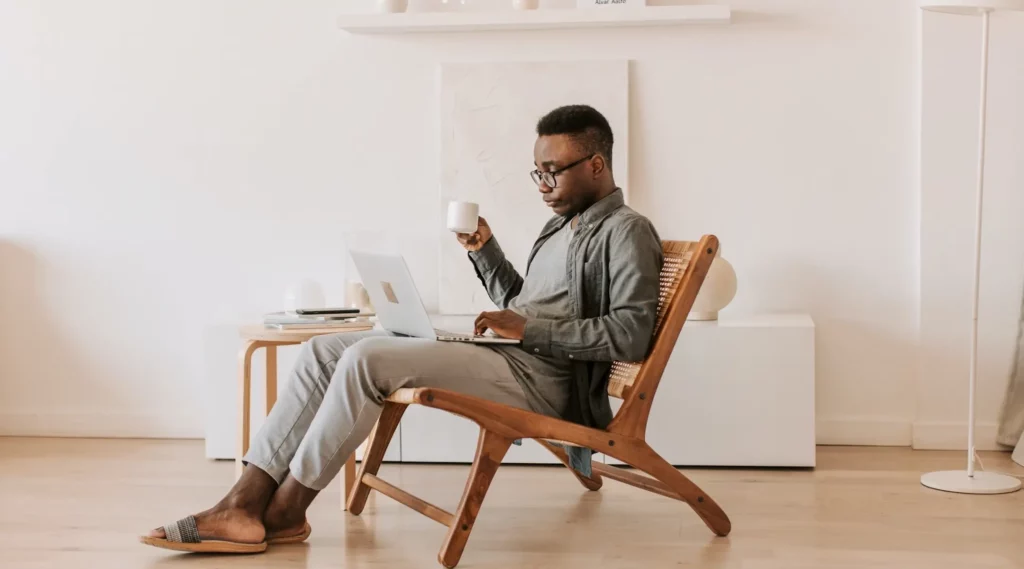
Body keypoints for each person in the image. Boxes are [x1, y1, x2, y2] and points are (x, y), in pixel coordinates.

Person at [141, 104, 664, 553]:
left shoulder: (627, 231)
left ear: (596, 164)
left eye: (554, 171)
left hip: (545, 381)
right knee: (325, 352)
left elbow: (630, 335)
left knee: (368, 360)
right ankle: (242, 501)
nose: (544, 184)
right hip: (512, 357)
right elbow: (523, 303)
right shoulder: (559, 226)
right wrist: (486, 252)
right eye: (537, 172)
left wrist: (526, 331)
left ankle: (285, 510)